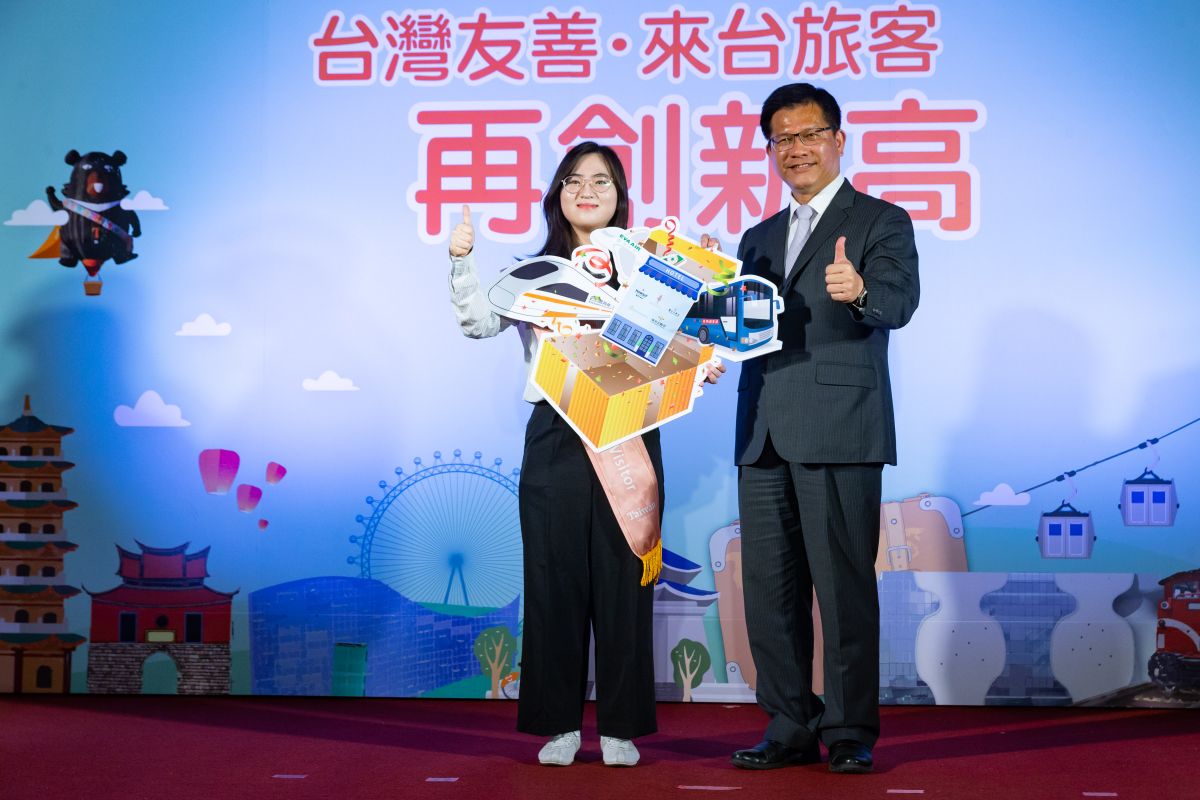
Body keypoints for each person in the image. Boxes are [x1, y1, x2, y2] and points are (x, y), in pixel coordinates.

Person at [447, 142, 660, 768]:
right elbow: (478, 323)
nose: (586, 190)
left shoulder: (648, 273)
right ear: (557, 195)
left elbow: (680, 349)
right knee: (553, 580)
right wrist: (461, 261)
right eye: (573, 180)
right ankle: (559, 723)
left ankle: (620, 727)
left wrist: (699, 363)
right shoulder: (534, 274)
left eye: (601, 180)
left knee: (624, 583)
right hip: (557, 433)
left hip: (628, 430)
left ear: (620, 196)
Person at [728, 83, 919, 774]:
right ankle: (788, 723)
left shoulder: (881, 220)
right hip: (762, 430)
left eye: (810, 134)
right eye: (782, 138)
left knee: (842, 590)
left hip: (841, 427)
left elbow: (899, 303)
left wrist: (859, 291)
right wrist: (709, 336)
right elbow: (741, 329)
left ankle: (848, 730)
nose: (797, 149)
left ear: (839, 140)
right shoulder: (756, 237)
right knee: (768, 591)